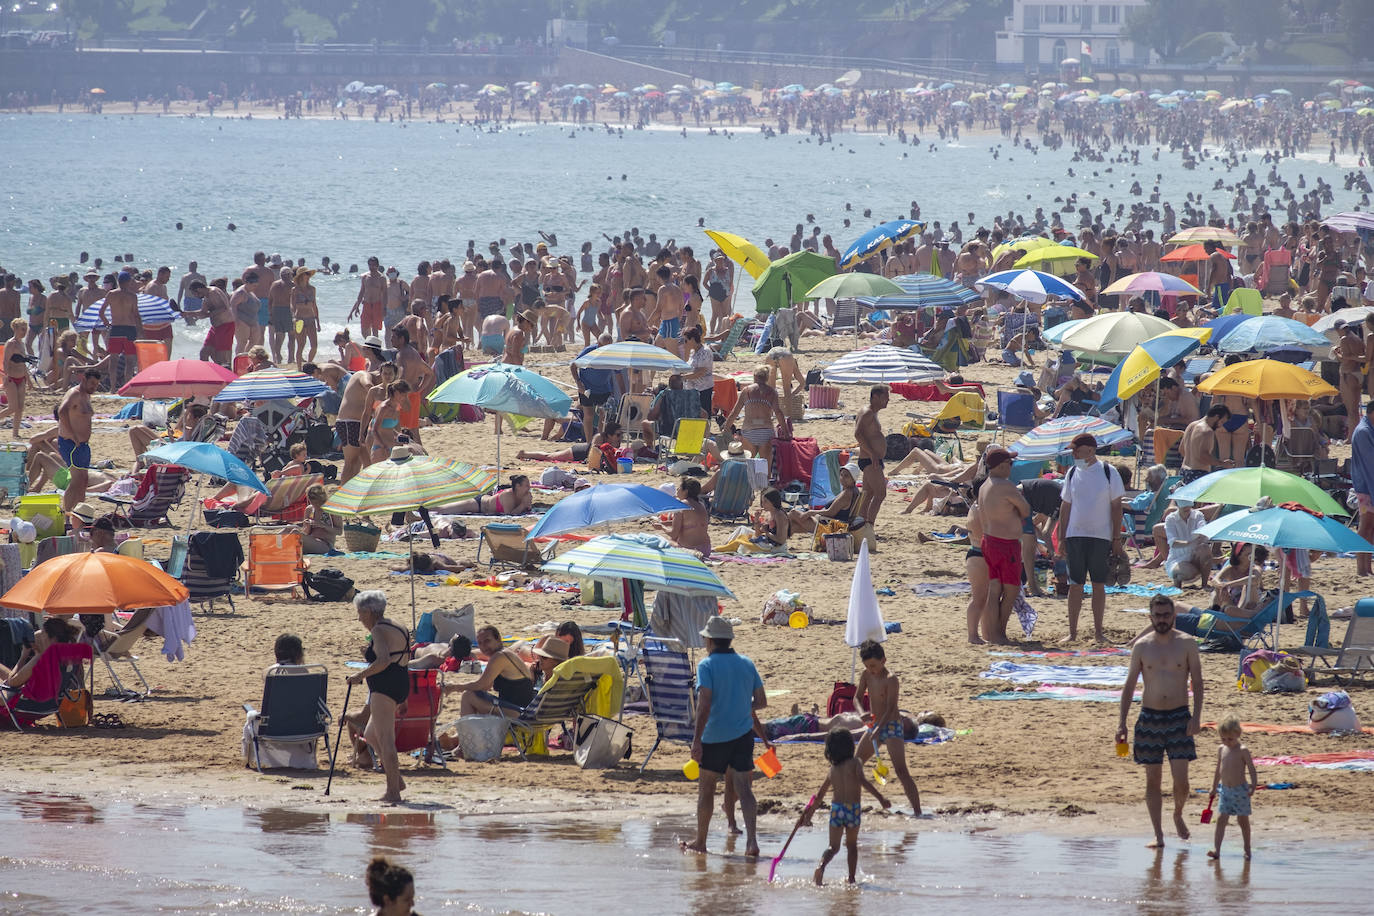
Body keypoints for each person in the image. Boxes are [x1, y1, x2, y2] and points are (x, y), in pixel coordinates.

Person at [1117, 594, 1204, 849]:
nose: (1162, 620)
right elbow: (1129, 685)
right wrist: (1121, 722)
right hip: (1149, 717)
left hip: (1179, 716)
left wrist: (1197, 717)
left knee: (1181, 780)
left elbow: (1197, 683)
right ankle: (1159, 834)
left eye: (1167, 615)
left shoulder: (1187, 644)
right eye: (1158, 615)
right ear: (1151, 617)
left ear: (1173, 616)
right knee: (1152, 779)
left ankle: (1177, 813)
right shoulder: (1142, 646)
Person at [682, 616, 766, 858]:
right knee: (745, 789)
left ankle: (700, 842)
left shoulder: (706, 666)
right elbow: (761, 701)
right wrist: (739, 705)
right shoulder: (747, 663)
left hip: (714, 736)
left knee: (706, 789)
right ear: (729, 640)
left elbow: (704, 703)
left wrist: (696, 740)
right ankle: (751, 842)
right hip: (742, 735)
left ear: (709, 640)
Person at [800, 727, 890, 886]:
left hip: (836, 810)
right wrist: (881, 798)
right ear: (850, 746)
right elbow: (863, 782)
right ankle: (851, 879)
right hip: (852, 809)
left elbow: (820, 795)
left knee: (833, 847)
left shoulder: (832, 769)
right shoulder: (855, 763)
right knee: (852, 846)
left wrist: (809, 814)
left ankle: (821, 867)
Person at [1057, 433, 1125, 643]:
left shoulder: (1108, 472)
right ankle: (1073, 633)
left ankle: (1098, 632)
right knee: (1075, 585)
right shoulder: (1071, 473)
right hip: (1075, 535)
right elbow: (1065, 507)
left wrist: (1116, 538)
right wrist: (1061, 538)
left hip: (1100, 536)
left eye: (1077, 450)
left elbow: (1116, 507)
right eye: (1073, 450)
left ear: (1091, 450)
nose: (1074, 454)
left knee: (1098, 584)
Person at [345, 591, 410, 804]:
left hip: (384, 687)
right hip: (399, 684)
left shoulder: (379, 630)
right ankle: (397, 780)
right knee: (372, 735)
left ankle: (393, 793)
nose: (359, 619)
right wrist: (404, 698)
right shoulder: (398, 626)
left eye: (360, 613)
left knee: (385, 739)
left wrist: (358, 676)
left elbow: (382, 661)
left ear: (368, 611)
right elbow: (403, 659)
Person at [854, 640, 922, 815]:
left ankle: (918, 812)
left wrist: (878, 729)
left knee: (901, 770)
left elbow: (892, 707)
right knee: (855, 765)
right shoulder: (866, 675)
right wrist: (862, 713)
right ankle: (854, 807)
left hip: (891, 726)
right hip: (874, 724)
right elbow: (857, 698)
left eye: (874, 666)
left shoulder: (891, 679)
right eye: (868, 666)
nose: (871, 670)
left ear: (883, 661)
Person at [977, 447, 1028, 645]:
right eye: (1009, 464)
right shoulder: (1005, 486)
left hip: (989, 541)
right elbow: (1024, 510)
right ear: (1000, 466)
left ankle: (991, 634)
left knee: (994, 589)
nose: (1011, 468)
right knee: (1011, 590)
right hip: (1005, 544)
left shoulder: (984, 486)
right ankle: (1000, 633)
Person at [443, 624, 535, 715]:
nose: (483, 646)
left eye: (487, 641)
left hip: (521, 713)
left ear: (498, 639)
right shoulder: (504, 653)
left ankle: (467, 730)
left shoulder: (500, 656)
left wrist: (454, 687)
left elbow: (481, 684)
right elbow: (485, 687)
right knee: (474, 695)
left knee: (468, 696)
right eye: (480, 643)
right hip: (520, 708)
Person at [1207, 715, 1257, 860]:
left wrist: (1253, 785)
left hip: (1240, 790)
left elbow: (1252, 769)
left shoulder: (1242, 750)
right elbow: (1219, 770)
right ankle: (1217, 849)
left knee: (1243, 821)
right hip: (1225, 791)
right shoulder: (1221, 749)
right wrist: (1213, 787)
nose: (1227, 742)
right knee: (1221, 819)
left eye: (1230, 739)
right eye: (1223, 739)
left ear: (1238, 734)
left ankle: (1247, 848)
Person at [57, 369, 101, 513]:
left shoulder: (86, 396)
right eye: (92, 383)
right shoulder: (74, 394)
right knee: (76, 481)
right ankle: (67, 514)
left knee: (83, 481)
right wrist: (72, 435)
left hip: (83, 445)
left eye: (97, 385)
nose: (94, 387)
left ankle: (79, 515)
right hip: (71, 444)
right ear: (84, 379)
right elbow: (62, 411)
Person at [721, 365, 786, 462]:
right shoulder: (772, 392)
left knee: (749, 466)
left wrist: (726, 429)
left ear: (755, 376)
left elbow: (735, 413)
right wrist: (785, 431)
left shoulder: (746, 391)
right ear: (767, 377)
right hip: (766, 431)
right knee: (765, 467)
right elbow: (778, 413)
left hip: (749, 431)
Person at [853, 384, 891, 529]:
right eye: (885, 397)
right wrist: (872, 453)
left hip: (871, 459)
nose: (888, 400)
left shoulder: (872, 413)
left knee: (868, 494)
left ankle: (860, 524)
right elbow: (858, 434)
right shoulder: (867, 412)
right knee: (880, 494)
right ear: (875, 397)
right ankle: (869, 526)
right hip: (869, 460)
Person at [789, 465, 859, 534]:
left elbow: (830, 513)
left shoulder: (847, 493)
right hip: (832, 524)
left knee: (793, 513)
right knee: (794, 527)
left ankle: (780, 541)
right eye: (841, 475)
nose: (842, 478)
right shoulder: (854, 490)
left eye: (846, 476)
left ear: (853, 478)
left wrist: (811, 512)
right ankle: (782, 542)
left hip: (830, 527)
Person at [656, 475, 711, 555]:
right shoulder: (701, 504)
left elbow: (674, 534)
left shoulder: (681, 506)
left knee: (659, 539)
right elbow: (686, 522)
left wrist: (662, 527)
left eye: (679, 488)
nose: (677, 490)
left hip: (690, 550)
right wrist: (663, 523)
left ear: (686, 491)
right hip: (706, 549)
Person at [1162, 498, 1210, 589]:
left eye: (1188, 506)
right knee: (1187, 573)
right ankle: (1178, 579)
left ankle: (1204, 585)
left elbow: (1203, 530)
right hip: (1178, 558)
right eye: (1183, 506)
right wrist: (1190, 543)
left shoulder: (1198, 515)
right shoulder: (1170, 519)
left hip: (1195, 555)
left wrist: (1202, 533)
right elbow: (1173, 542)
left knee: (1205, 548)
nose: (1186, 509)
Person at [1179, 405, 1231, 484]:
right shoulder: (1207, 431)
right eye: (1222, 422)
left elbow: (1182, 450)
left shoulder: (1191, 426)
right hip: (1198, 474)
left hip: (1184, 471)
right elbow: (1203, 456)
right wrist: (1222, 464)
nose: (1221, 426)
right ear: (1216, 417)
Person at [434, 474, 531, 516]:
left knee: (445, 508)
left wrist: (526, 505)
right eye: (527, 485)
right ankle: (422, 508)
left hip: (485, 500)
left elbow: (527, 510)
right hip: (478, 504)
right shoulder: (508, 495)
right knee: (442, 510)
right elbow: (509, 514)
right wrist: (523, 505)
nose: (529, 487)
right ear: (518, 486)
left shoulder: (525, 495)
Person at [1351, 400, 1374, 577]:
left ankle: (1367, 567)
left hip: (1368, 484)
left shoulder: (1368, 429)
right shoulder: (1363, 432)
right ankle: (1361, 567)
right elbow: (1370, 464)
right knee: (1365, 526)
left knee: (1371, 528)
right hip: (1365, 486)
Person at [300, 485, 341, 554]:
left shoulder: (332, 510)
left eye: (316, 503)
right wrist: (307, 525)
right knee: (288, 529)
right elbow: (306, 533)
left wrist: (322, 525)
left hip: (325, 544)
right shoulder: (309, 510)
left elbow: (339, 531)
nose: (315, 506)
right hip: (311, 540)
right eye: (312, 503)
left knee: (295, 533)